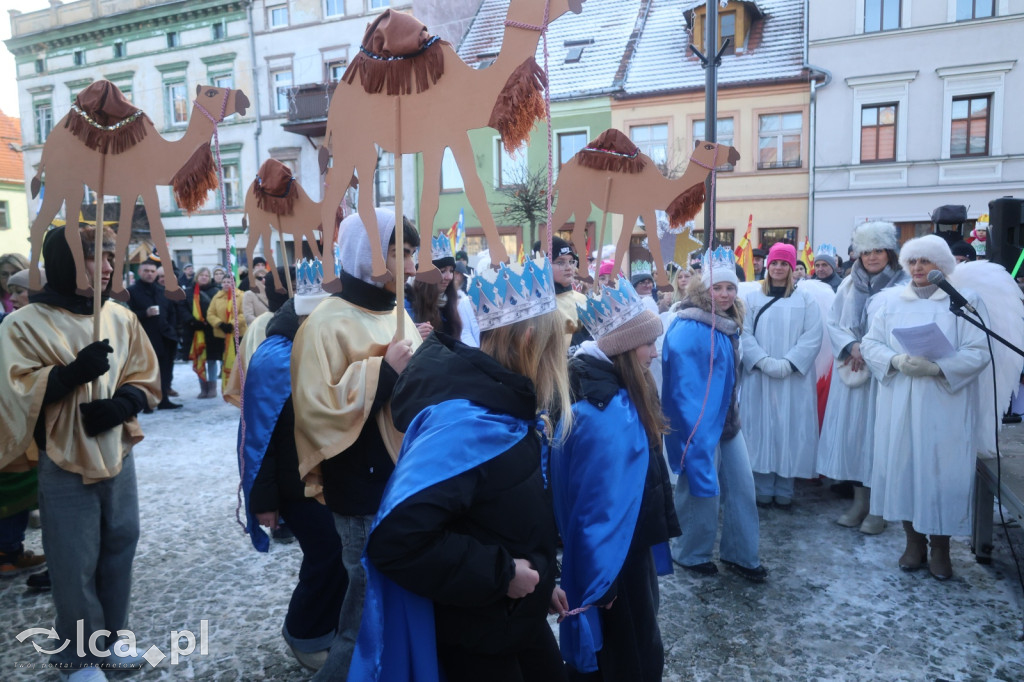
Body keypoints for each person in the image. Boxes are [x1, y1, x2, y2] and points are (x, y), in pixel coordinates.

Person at [351, 256, 570, 682]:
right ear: (529, 342)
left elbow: (504, 517)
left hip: (512, 619)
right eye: (555, 345)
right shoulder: (469, 425)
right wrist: (503, 575)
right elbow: (396, 540)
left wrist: (541, 585)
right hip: (479, 637)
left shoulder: (509, 409)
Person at [0, 225, 160, 678]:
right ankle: (79, 655)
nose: (110, 266)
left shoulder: (118, 316)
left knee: (120, 545)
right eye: (96, 256)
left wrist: (121, 405)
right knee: (73, 558)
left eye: (111, 256)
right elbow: (10, 393)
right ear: (67, 260)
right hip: (63, 458)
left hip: (117, 452)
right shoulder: (22, 324)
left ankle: (110, 639)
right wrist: (66, 377)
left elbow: (141, 374)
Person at [292, 208, 421, 682]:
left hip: (401, 478)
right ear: (365, 253)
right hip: (361, 487)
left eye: (411, 253)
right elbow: (315, 410)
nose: (409, 265)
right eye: (397, 252)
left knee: (391, 600)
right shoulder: (326, 323)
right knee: (365, 607)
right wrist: (382, 372)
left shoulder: (398, 310)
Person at [553, 276, 680, 680]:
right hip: (614, 563)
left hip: (628, 548)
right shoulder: (604, 415)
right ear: (623, 349)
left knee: (635, 646)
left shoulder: (620, 395)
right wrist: (599, 581)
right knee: (630, 657)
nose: (655, 353)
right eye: (648, 344)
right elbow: (595, 511)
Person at [861, 235, 989, 581]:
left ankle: (941, 547)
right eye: (913, 261)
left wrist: (938, 368)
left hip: (943, 402)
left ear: (942, 266)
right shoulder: (891, 302)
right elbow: (870, 343)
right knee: (904, 466)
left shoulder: (963, 301)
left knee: (939, 471)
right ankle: (912, 542)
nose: (918, 268)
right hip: (900, 399)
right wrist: (895, 359)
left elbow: (980, 350)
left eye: (926, 261)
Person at [239, 278, 344, 671]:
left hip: (331, 477)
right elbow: (260, 437)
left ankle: (331, 628)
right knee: (327, 553)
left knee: (339, 554)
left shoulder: (327, 346)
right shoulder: (275, 357)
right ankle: (305, 631)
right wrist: (264, 501)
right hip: (294, 483)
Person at [662, 247, 766, 582]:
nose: (724, 294)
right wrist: (696, 437)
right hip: (699, 425)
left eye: (730, 287)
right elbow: (684, 388)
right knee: (699, 488)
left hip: (727, 421)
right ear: (701, 290)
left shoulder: (727, 322)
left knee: (742, 487)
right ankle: (690, 552)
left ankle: (741, 553)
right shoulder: (691, 327)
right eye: (716, 288)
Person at [816, 222, 907, 535]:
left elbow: (905, 327)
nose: (871, 257)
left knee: (881, 438)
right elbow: (834, 321)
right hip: (854, 371)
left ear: (889, 252)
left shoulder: (903, 284)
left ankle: (879, 507)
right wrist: (852, 346)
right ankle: (860, 500)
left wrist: (870, 350)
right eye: (866, 251)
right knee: (856, 437)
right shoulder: (849, 284)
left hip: (886, 374)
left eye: (878, 250)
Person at [740, 242, 823, 508]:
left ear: (791, 268)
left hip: (793, 378)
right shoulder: (752, 298)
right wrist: (763, 361)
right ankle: (762, 484)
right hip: (760, 376)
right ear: (767, 266)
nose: (778, 267)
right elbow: (744, 333)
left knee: (790, 426)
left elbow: (813, 336)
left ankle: (786, 485)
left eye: (784, 263)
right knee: (761, 426)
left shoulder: (806, 299)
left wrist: (789, 363)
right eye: (774, 262)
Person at [127, 258, 181, 410]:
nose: (149, 274)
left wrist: (172, 331)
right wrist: (145, 313)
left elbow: (171, 312)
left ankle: (163, 400)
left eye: (152, 271)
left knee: (164, 371)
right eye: (146, 271)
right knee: (146, 372)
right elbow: (126, 315)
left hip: (165, 338)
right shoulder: (131, 292)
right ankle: (146, 402)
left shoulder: (162, 291)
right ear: (139, 272)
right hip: (145, 339)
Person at [407, 235, 463, 340]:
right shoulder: (408, 304)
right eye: (442, 271)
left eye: (451, 271)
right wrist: (415, 337)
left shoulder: (449, 304)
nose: (449, 277)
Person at [207, 276, 247, 396]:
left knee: (239, 362)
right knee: (225, 362)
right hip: (221, 335)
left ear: (234, 283)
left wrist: (231, 324)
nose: (226, 284)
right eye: (224, 282)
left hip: (238, 334)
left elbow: (244, 313)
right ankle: (227, 387)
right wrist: (219, 324)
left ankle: (241, 386)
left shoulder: (242, 296)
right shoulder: (217, 296)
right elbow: (210, 313)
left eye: (229, 281)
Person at [186, 267, 221, 399]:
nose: (204, 277)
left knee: (211, 360)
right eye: (202, 275)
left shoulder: (216, 291)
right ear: (197, 277)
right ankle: (203, 387)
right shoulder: (189, 292)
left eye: (207, 275)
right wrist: (192, 321)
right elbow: (183, 308)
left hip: (212, 330)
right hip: (195, 330)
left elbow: (219, 309)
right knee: (200, 358)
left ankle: (212, 388)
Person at [453, 262, 479, 347]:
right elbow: (465, 332)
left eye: (460, 275)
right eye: (456, 273)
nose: (457, 277)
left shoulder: (464, 298)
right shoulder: (464, 302)